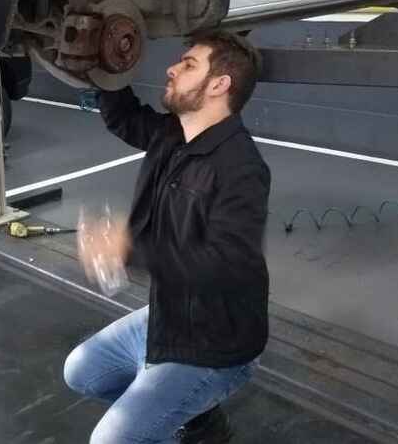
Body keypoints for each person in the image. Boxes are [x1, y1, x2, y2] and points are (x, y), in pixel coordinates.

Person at [64, 29, 271, 444]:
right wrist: (102, 65)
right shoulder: (172, 135)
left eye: (189, 64)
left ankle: (190, 402)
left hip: (216, 344)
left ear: (219, 84)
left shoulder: (242, 168)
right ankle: (200, 422)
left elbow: (225, 264)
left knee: (111, 441)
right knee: (81, 372)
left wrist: (128, 248)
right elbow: (123, 116)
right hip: (168, 315)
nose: (172, 68)